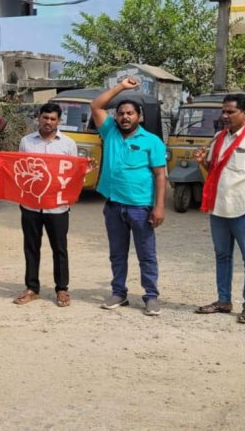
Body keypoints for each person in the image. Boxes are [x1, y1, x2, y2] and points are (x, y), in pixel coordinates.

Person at [193, 94, 245, 324]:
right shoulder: (219, 137)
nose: (225, 116)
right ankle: (223, 301)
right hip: (219, 209)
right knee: (222, 256)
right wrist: (203, 162)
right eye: (223, 111)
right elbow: (215, 171)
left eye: (231, 112)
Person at [90, 78, 167, 316]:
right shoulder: (109, 132)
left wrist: (159, 207)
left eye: (130, 113)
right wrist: (121, 87)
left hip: (141, 207)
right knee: (117, 253)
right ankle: (119, 293)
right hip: (114, 205)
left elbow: (160, 175)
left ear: (139, 117)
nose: (125, 117)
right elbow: (96, 106)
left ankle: (151, 296)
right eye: (121, 113)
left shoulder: (152, 141)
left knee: (146, 254)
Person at [12, 103, 79, 307]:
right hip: (31, 205)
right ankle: (32, 287)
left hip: (57, 206)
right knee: (31, 247)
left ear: (59, 121)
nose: (48, 122)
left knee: (60, 248)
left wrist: (85, 169)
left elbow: (73, 173)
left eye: (52, 119)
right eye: (45, 118)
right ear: (38, 118)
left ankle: (62, 289)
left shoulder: (68, 144)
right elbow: (20, 169)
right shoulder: (26, 142)